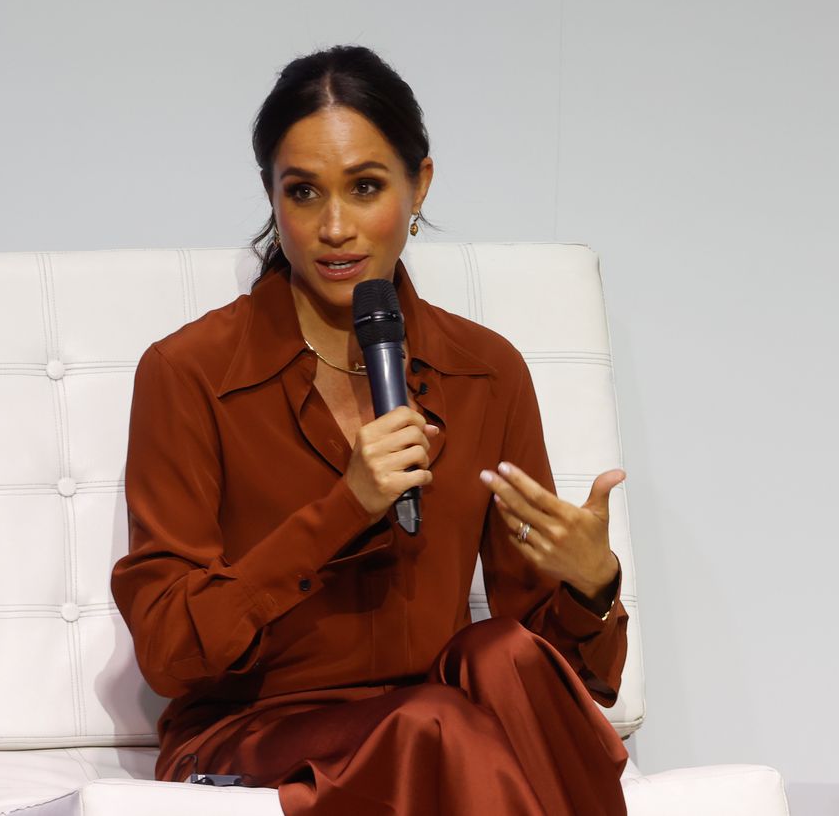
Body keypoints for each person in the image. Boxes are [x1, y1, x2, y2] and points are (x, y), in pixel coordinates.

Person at [111, 44, 631, 816]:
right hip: (248, 729)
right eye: (302, 192)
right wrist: (342, 508)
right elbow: (170, 651)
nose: (334, 227)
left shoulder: (485, 371)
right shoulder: (189, 372)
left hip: (440, 722)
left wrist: (593, 585)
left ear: (418, 185)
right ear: (271, 197)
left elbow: (550, 674)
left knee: (501, 654)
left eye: (364, 188)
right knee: (438, 723)